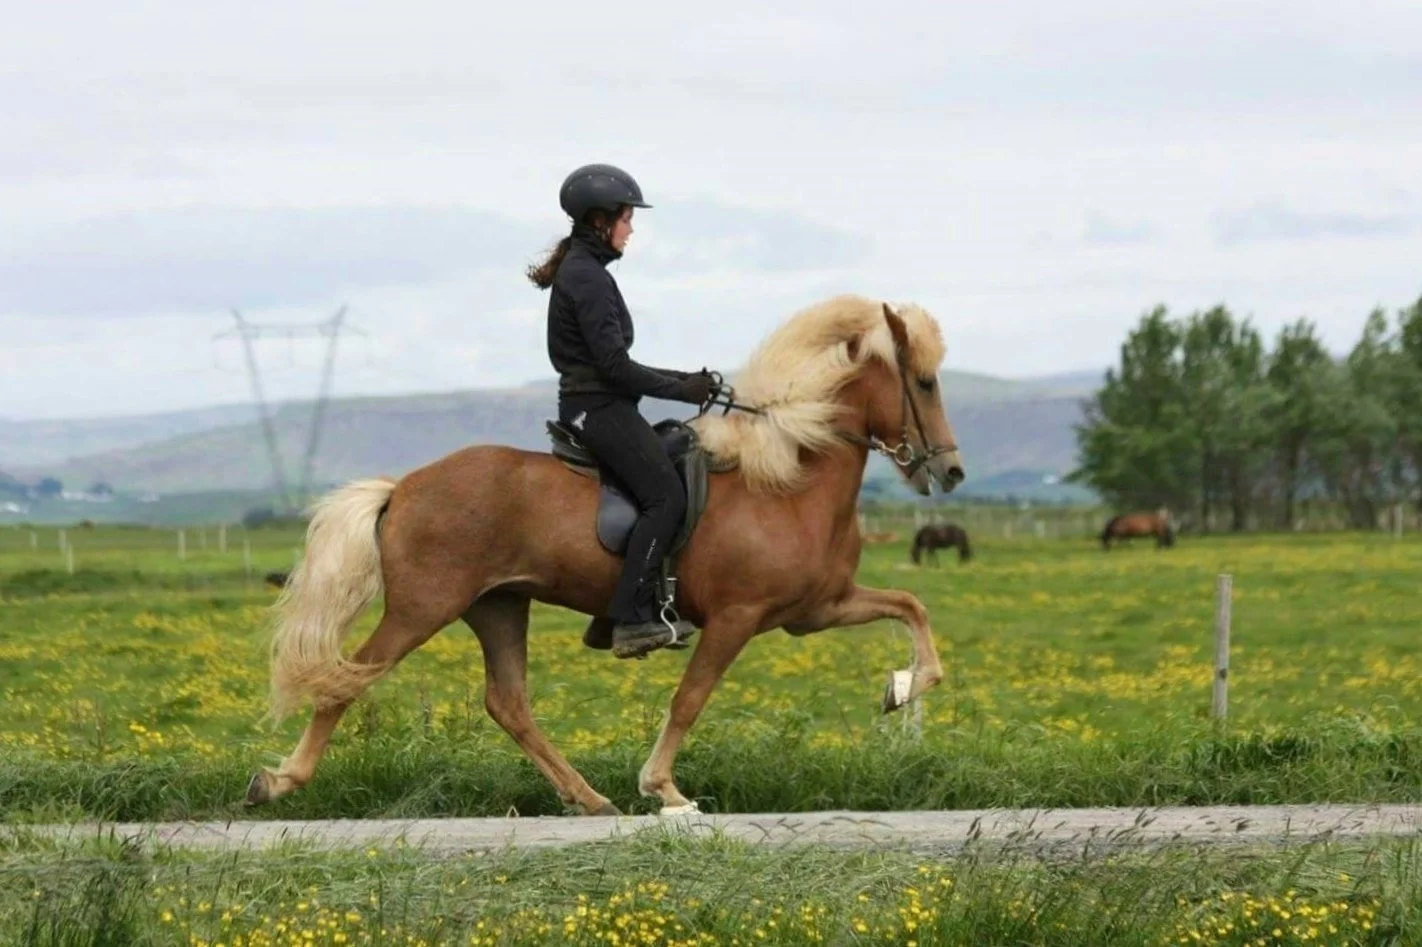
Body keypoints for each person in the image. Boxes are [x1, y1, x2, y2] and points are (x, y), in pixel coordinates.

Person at [529, 163, 715, 659]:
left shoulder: (586, 271)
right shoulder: (586, 277)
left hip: (599, 403)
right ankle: (631, 620)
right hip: (598, 408)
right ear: (600, 220)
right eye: (627, 219)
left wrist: (687, 381)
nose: (630, 230)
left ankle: (608, 611)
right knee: (665, 498)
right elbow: (614, 367)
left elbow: (614, 363)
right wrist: (682, 390)